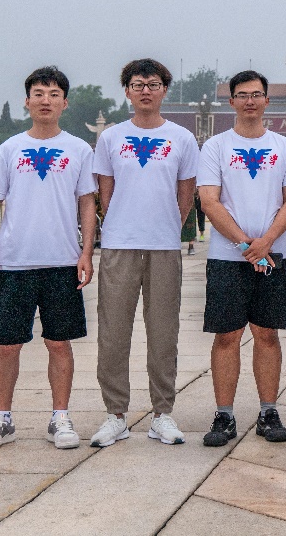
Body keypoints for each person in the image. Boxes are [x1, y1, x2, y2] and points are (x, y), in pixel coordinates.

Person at [0, 67, 97, 452]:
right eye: (39, 93)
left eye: (54, 94)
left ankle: (60, 417)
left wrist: (86, 252)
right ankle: (2, 418)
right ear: (27, 101)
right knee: (8, 344)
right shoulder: (10, 149)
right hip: (15, 263)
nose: (46, 100)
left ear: (65, 103)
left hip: (62, 262)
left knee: (59, 343)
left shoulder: (79, 149)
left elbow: (87, 203)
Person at [89, 59, 200, 449]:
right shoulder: (111, 138)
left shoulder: (181, 138)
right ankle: (115, 414)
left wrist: (167, 225)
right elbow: (105, 193)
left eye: (153, 84)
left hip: (164, 246)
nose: (146, 91)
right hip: (119, 244)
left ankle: (162, 413)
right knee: (113, 332)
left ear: (164, 90)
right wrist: (122, 222)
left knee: (163, 331)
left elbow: (185, 195)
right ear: (127, 91)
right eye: (138, 84)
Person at [197, 70, 286, 448]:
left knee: (267, 334)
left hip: (276, 255)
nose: (250, 101)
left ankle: (268, 411)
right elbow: (209, 201)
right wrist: (246, 246)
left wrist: (267, 243)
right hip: (227, 258)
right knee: (227, 335)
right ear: (231, 102)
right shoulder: (216, 147)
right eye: (242, 95)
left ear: (267, 101)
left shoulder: (285, 148)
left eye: (256, 94)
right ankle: (224, 414)